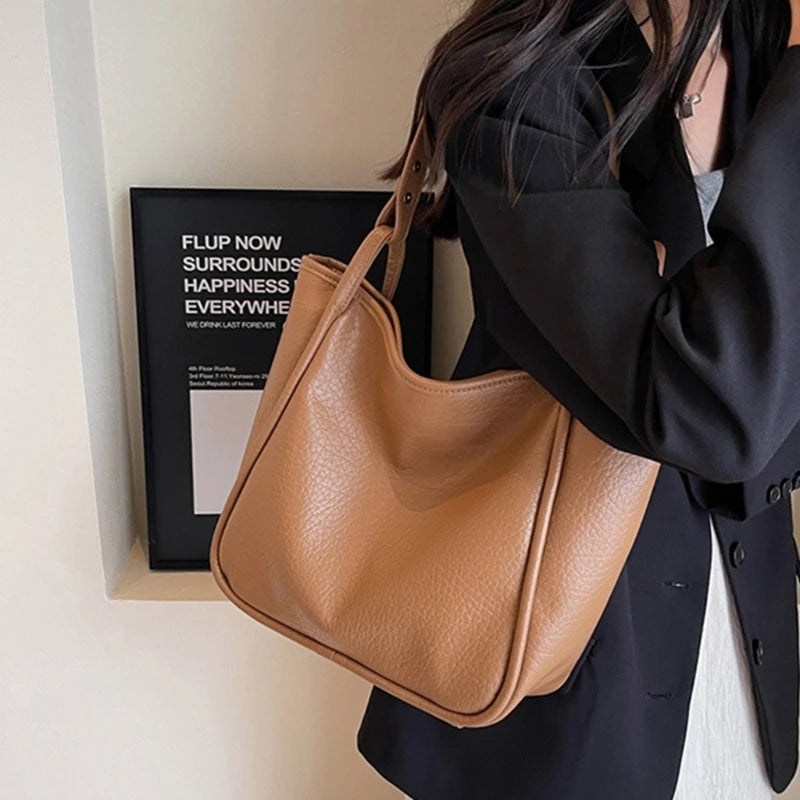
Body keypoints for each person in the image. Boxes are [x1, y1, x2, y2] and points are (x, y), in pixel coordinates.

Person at [355, 0, 800, 798]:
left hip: (746, 662)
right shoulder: (519, 81)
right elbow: (712, 410)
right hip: (571, 692)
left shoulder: (759, 42)